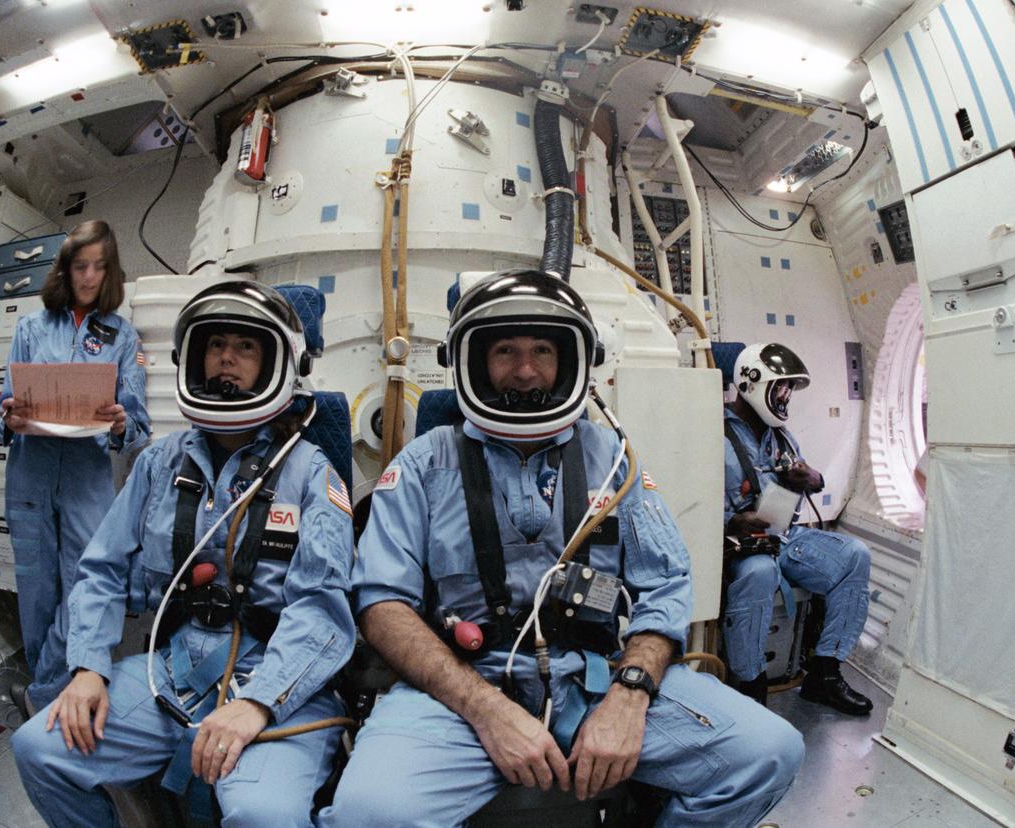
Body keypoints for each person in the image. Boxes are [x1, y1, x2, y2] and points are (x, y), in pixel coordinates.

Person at [321, 270, 803, 828]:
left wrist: (630, 693)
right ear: (473, 361)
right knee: (367, 813)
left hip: (597, 680)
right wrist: (486, 710)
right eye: (506, 350)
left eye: (543, 351)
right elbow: (383, 605)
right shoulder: (423, 464)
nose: (526, 370)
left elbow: (666, 585)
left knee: (769, 752)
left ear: (572, 360)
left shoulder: (613, 458)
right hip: (461, 690)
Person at [11, 281, 355, 827]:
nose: (226, 358)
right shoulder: (158, 463)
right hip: (171, 674)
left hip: (276, 681)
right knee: (39, 749)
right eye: (216, 344)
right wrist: (88, 666)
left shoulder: (310, 474)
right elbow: (101, 570)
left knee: (261, 814)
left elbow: (322, 610)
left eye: (245, 347)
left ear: (279, 364)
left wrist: (259, 702)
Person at [0, 220, 150, 712]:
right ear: (65, 269)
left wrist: (120, 423)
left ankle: (44, 693)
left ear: (111, 272)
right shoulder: (31, 328)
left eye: (99, 267)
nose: (89, 277)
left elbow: (138, 427)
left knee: (87, 584)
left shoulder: (123, 337)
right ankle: (51, 694)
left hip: (86, 478)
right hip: (30, 474)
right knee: (36, 590)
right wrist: (8, 416)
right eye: (81, 266)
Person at [721, 342, 873, 714]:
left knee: (855, 554)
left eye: (790, 387)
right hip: (738, 546)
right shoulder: (714, 434)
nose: (787, 395)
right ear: (753, 382)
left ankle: (824, 673)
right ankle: (750, 685)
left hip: (785, 538)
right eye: (782, 385)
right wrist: (731, 522)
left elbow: (810, 477)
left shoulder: (782, 437)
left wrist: (813, 478)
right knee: (759, 572)